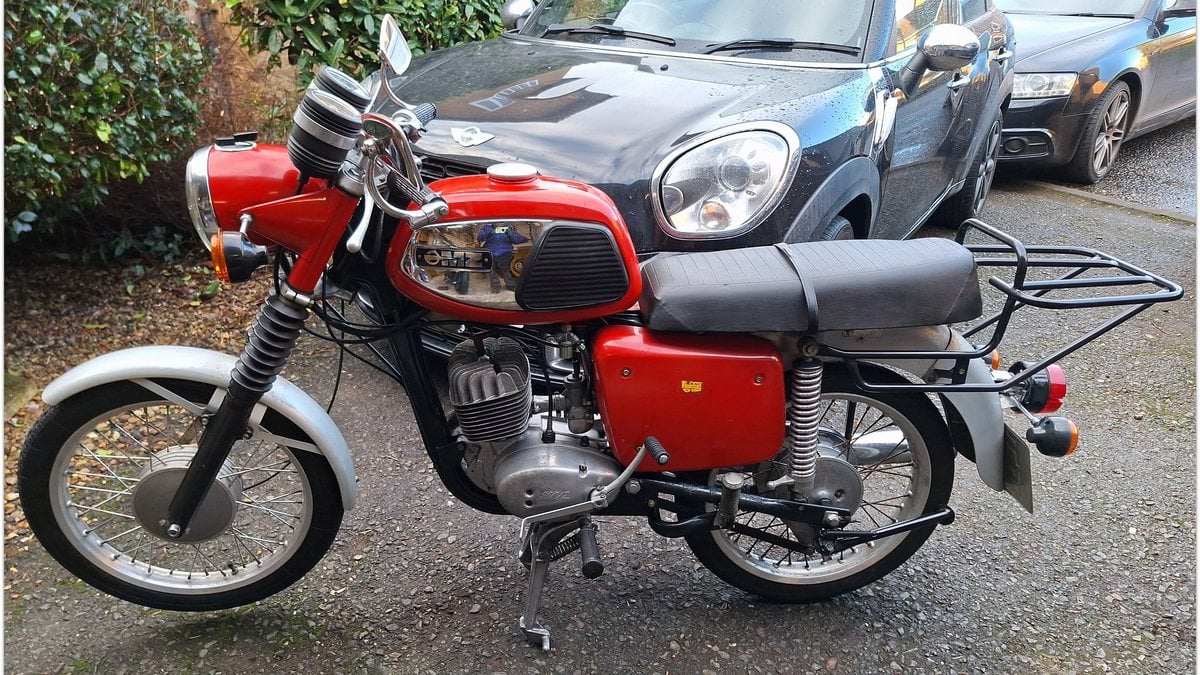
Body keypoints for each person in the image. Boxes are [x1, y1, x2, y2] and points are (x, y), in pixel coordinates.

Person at [477, 223, 528, 292]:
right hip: (490, 252)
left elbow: (518, 240)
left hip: (505, 252)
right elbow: (480, 238)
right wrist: (490, 233)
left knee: (505, 269)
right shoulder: (487, 228)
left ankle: (510, 285)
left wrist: (510, 234)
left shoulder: (509, 228)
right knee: (492, 270)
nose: (499, 224)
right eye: (497, 222)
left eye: (501, 222)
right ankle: (496, 287)